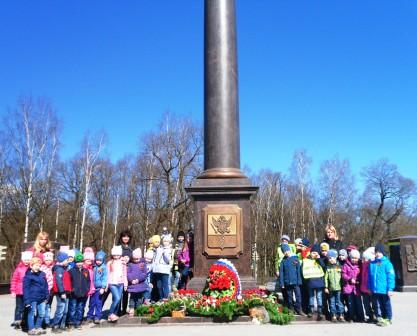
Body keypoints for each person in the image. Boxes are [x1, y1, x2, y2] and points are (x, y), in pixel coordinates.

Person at [368, 243, 395, 327]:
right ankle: (380, 317)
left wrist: (390, 288)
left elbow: (391, 276)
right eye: (376, 252)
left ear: (383, 252)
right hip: (375, 289)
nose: (378, 254)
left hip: (384, 289)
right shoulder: (372, 264)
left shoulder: (387, 263)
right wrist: (369, 287)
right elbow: (369, 276)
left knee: (386, 304)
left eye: (379, 252)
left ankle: (388, 318)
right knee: (377, 304)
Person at [23, 257, 49, 335]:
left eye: (38, 265)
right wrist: (27, 301)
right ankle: (31, 328)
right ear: (31, 266)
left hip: (41, 298)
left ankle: (38, 327)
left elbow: (46, 286)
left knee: (42, 313)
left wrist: (47, 296)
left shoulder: (42, 274)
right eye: (35, 265)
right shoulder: (28, 276)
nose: (37, 267)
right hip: (32, 298)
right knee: (31, 313)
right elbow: (26, 289)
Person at [302, 244, 326, 321]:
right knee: (311, 296)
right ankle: (311, 310)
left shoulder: (319, 260)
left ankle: (320, 311)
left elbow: (324, 267)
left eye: (316, 253)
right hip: (310, 282)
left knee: (319, 296)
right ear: (310, 252)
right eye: (313, 253)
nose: (314, 254)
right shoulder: (306, 260)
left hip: (319, 281)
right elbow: (303, 270)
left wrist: (319, 259)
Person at [10, 251, 33, 330]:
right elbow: (14, 280)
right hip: (19, 291)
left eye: (28, 260)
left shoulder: (31, 269)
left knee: (26, 307)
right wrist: (13, 291)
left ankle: (24, 321)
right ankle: (17, 321)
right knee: (19, 307)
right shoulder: (18, 269)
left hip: (28, 292)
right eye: (25, 259)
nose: (27, 261)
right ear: (22, 260)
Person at [279, 244, 304, 315]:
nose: (286, 252)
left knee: (298, 296)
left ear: (289, 250)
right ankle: (291, 309)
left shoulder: (295, 259)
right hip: (287, 282)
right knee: (289, 297)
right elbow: (281, 273)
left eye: (287, 250)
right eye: (284, 251)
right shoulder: (283, 262)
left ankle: (299, 309)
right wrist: (282, 283)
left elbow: (298, 271)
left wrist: (299, 281)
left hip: (296, 282)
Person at [68, 253, 90, 330]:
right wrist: (71, 290)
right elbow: (69, 282)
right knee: (72, 308)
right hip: (73, 294)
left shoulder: (86, 271)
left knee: (80, 308)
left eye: (81, 262)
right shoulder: (71, 271)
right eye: (77, 262)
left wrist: (87, 289)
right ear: (75, 262)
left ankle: (78, 322)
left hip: (83, 293)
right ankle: (71, 322)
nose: (79, 263)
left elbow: (88, 281)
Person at [51, 252, 71, 333]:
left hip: (66, 292)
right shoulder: (59, 269)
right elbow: (59, 282)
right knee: (60, 309)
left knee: (65, 310)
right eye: (67, 260)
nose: (68, 261)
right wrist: (62, 292)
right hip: (61, 293)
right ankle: (55, 326)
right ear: (62, 260)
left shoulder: (63, 268)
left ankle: (62, 325)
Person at [342, 249, 364, 322]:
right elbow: (343, 274)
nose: (354, 260)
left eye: (356, 258)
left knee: (359, 303)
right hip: (349, 287)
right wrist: (349, 279)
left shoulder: (360, 265)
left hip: (357, 288)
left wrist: (358, 280)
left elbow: (361, 275)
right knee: (351, 303)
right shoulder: (346, 265)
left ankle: (360, 317)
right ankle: (352, 317)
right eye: (353, 258)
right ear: (350, 258)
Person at [107, 246, 128, 322]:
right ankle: (110, 314)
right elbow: (108, 274)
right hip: (112, 283)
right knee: (117, 298)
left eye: (117, 255)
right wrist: (107, 285)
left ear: (120, 254)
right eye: (114, 255)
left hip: (121, 283)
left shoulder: (123, 263)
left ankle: (114, 314)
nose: (116, 256)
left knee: (117, 300)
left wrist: (125, 284)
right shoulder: (110, 263)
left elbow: (125, 274)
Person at [86, 250, 107, 324]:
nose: (98, 262)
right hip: (93, 288)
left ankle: (97, 316)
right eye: (97, 260)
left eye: (100, 260)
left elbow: (105, 278)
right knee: (91, 303)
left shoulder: (104, 268)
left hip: (99, 289)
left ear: (103, 260)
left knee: (98, 303)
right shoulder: (94, 267)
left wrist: (103, 287)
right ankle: (89, 316)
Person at [324, 249, 344, 322]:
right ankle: (333, 315)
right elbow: (326, 278)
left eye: (331, 258)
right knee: (332, 302)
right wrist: (326, 287)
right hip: (331, 288)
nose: (330, 259)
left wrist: (343, 286)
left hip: (339, 288)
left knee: (339, 301)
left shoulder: (340, 266)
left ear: (335, 257)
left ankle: (341, 314)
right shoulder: (328, 267)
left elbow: (342, 277)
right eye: (328, 258)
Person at [127, 251, 148, 315]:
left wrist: (138, 280)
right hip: (132, 284)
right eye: (134, 259)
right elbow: (128, 273)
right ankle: (131, 308)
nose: (136, 260)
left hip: (140, 284)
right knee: (132, 297)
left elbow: (144, 274)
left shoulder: (143, 264)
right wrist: (131, 280)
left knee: (139, 297)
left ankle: (138, 308)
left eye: (137, 259)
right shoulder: (130, 264)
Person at [153, 235, 172, 300]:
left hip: (164, 269)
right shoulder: (160, 249)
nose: (165, 243)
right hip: (158, 269)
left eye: (167, 241)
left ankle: (165, 298)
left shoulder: (169, 249)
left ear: (169, 242)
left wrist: (166, 254)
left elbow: (168, 259)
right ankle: (161, 298)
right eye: (164, 241)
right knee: (159, 285)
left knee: (165, 284)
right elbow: (155, 258)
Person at [40, 252, 54, 328]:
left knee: (48, 306)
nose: (48, 261)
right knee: (42, 306)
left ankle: (47, 320)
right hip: (43, 290)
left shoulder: (53, 267)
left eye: (49, 260)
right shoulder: (41, 267)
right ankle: (41, 321)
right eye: (47, 260)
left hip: (51, 290)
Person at [361, 247, 375, 323]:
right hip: (364, 288)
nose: (364, 260)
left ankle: (375, 315)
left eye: (365, 258)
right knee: (366, 304)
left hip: (370, 288)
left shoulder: (372, 265)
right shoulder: (363, 265)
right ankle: (369, 316)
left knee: (374, 303)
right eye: (363, 258)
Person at [82, 248, 96, 323]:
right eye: (88, 261)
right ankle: (80, 317)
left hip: (91, 288)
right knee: (82, 304)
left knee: (91, 303)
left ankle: (89, 316)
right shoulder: (83, 268)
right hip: (84, 289)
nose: (89, 262)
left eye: (91, 261)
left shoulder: (92, 268)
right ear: (84, 260)